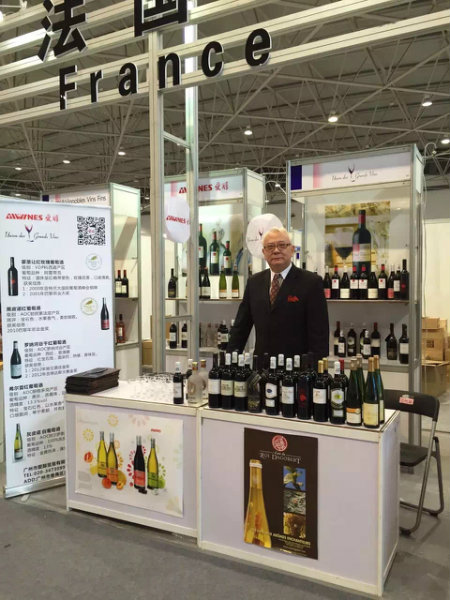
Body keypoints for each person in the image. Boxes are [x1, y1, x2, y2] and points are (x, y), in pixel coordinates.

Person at [228, 227, 329, 362]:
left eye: (282, 245)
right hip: (262, 366)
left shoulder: (311, 282)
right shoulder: (254, 282)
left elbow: (320, 335)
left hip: (296, 367)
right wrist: (228, 361)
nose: (276, 250)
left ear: (292, 250)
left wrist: (314, 369)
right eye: (270, 247)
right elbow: (241, 327)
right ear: (264, 252)